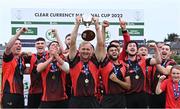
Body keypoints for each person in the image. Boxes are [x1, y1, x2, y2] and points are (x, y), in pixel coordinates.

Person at [68, 16, 101, 108]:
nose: (85, 51)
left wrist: (97, 26)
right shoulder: (74, 60)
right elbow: (72, 42)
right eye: (83, 49)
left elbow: (100, 44)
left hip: (92, 100)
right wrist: (77, 24)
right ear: (79, 50)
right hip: (76, 100)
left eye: (88, 49)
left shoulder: (95, 61)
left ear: (92, 51)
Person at [99, 19, 131, 108]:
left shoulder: (123, 65)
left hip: (121, 98)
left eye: (116, 50)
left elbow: (128, 86)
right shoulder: (105, 62)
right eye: (111, 50)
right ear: (107, 53)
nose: (114, 52)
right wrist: (103, 28)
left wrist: (124, 29)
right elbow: (101, 45)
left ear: (119, 52)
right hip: (107, 98)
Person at [124, 41, 162, 108]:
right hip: (128, 95)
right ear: (126, 50)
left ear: (136, 50)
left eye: (134, 46)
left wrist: (155, 48)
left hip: (141, 95)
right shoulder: (122, 62)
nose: (132, 47)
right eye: (130, 46)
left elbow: (158, 61)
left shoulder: (143, 60)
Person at [36, 41, 69, 108]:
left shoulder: (63, 59)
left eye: (57, 45)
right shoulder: (43, 59)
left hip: (62, 98)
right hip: (47, 98)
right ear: (48, 50)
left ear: (59, 49)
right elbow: (39, 69)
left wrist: (56, 56)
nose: (55, 46)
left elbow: (67, 70)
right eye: (53, 45)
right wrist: (51, 58)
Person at [1, 27, 28, 108]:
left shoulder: (21, 59)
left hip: (20, 94)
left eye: (20, 44)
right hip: (9, 93)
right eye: (16, 44)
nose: (18, 45)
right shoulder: (8, 57)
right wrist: (20, 32)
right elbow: (8, 47)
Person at [149, 44, 176, 108]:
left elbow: (165, 71)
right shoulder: (154, 61)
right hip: (153, 94)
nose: (164, 50)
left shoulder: (171, 63)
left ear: (170, 53)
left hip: (165, 95)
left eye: (167, 49)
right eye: (162, 49)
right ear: (160, 51)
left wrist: (156, 61)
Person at [26, 37, 47, 108]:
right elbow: (18, 56)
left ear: (45, 45)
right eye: (38, 43)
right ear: (35, 46)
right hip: (34, 91)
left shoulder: (50, 56)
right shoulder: (31, 56)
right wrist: (24, 53)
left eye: (42, 43)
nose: (40, 45)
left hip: (47, 92)